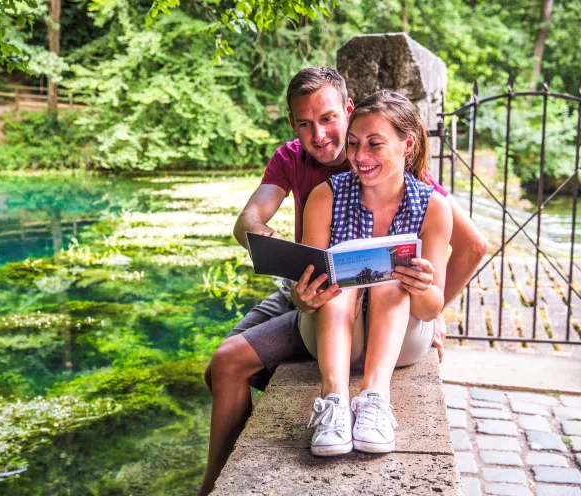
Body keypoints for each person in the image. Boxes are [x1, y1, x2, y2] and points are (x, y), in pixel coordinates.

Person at [199, 68, 488, 495]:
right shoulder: (302, 169)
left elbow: (471, 248)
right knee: (223, 365)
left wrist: (432, 306)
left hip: (385, 310)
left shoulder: (413, 185)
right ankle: (216, 482)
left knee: (384, 274)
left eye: (329, 120)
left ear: (348, 112)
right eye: (304, 123)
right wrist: (261, 237)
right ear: (294, 125)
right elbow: (250, 218)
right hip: (315, 295)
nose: (319, 135)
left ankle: (369, 399)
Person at [300, 90, 452, 456]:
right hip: (330, 335)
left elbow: (432, 309)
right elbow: (302, 298)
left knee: (389, 274)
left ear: (407, 144)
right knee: (343, 276)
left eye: (374, 144)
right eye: (353, 144)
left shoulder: (434, 207)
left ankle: (375, 399)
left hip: (402, 341)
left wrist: (421, 284)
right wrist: (303, 296)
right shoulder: (325, 196)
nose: (359, 157)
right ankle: (333, 401)